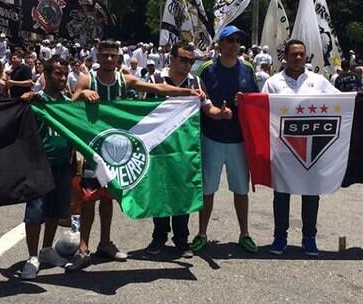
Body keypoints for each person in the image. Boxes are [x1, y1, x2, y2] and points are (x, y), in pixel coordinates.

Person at [68, 40, 203, 269]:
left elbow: (157, 89)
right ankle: (83, 248)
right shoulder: (86, 79)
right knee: (89, 198)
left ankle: (105, 243)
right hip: (95, 147)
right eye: (105, 55)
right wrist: (82, 94)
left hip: (116, 148)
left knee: (109, 197)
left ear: (118, 58)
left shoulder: (125, 79)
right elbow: (69, 107)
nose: (109, 59)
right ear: (98, 56)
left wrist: (186, 91)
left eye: (113, 56)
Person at [145, 42, 232, 257]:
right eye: (183, 59)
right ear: (171, 58)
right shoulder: (155, 80)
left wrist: (221, 113)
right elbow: (142, 110)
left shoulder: (196, 82)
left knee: (183, 193)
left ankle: (181, 239)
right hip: (161, 145)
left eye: (191, 61)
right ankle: (159, 236)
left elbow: (208, 108)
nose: (187, 64)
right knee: (161, 192)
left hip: (187, 147)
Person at [261, 39, 339, 256]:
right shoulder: (273, 82)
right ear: (284, 56)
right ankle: (279, 237)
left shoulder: (319, 81)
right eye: (293, 54)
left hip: (313, 147)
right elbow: (261, 109)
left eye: (301, 54)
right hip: (283, 148)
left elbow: (341, 103)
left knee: (311, 194)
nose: (297, 58)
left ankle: (309, 237)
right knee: (282, 195)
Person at [191, 25, 260, 254]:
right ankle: (202, 233)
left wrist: (245, 102)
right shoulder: (206, 69)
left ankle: (244, 233)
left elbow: (257, 100)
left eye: (237, 41)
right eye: (229, 41)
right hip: (212, 138)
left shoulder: (248, 69)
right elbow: (198, 100)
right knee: (207, 189)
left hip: (239, 140)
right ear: (219, 45)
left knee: (241, 190)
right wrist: (216, 113)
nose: (234, 46)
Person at [20, 56, 77, 280]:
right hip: (38, 166)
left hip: (63, 164)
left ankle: (46, 250)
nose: (62, 78)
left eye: (65, 74)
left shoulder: (68, 104)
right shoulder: (34, 102)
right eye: (57, 73)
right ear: (46, 74)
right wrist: (23, 101)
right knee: (35, 213)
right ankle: (32, 257)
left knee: (55, 210)